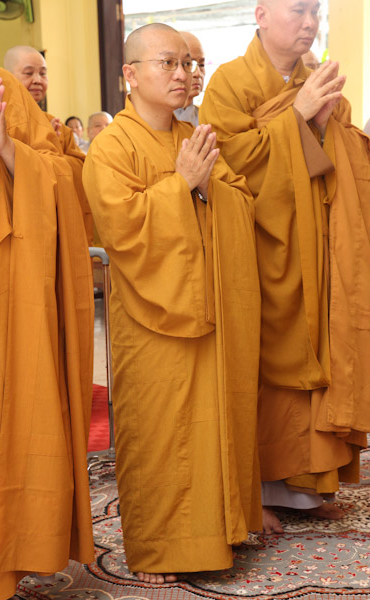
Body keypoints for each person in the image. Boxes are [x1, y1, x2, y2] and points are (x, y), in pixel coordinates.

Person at [83, 22, 262, 584]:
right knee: (159, 433)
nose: (183, 74)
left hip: (209, 312)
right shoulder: (112, 146)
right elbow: (121, 227)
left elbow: (240, 203)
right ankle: (159, 550)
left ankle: (216, 535)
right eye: (168, 63)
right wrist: (180, 185)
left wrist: (205, 185)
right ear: (130, 74)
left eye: (188, 63)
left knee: (211, 426)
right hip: (151, 320)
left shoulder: (195, 138)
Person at [200, 0, 370, 534]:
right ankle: (257, 490)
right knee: (264, 359)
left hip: (314, 243)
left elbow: (340, 157)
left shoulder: (316, 78)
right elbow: (228, 160)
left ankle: (308, 486)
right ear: (261, 14)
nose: (310, 23)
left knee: (318, 351)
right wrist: (296, 117)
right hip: (258, 243)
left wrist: (322, 125)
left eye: (315, 11)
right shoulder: (228, 83)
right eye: (298, 10)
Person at [0, 3, 94, 599]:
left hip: (6, 294)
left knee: (12, 420)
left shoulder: (2, 88)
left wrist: (7, 151)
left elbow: (65, 176)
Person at [4, 46, 94, 244]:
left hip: (56, 226)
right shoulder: (1, 122)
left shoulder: (57, 126)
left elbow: (82, 172)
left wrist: (53, 148)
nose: (37, 80)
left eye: (43, 74)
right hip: (17, 225)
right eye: (29, 73)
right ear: (8, 77)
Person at [174, 31, 205, 126]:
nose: (197, 73)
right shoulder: (153, 120)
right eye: (189, 64)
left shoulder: (207, 118)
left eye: (201, 65)